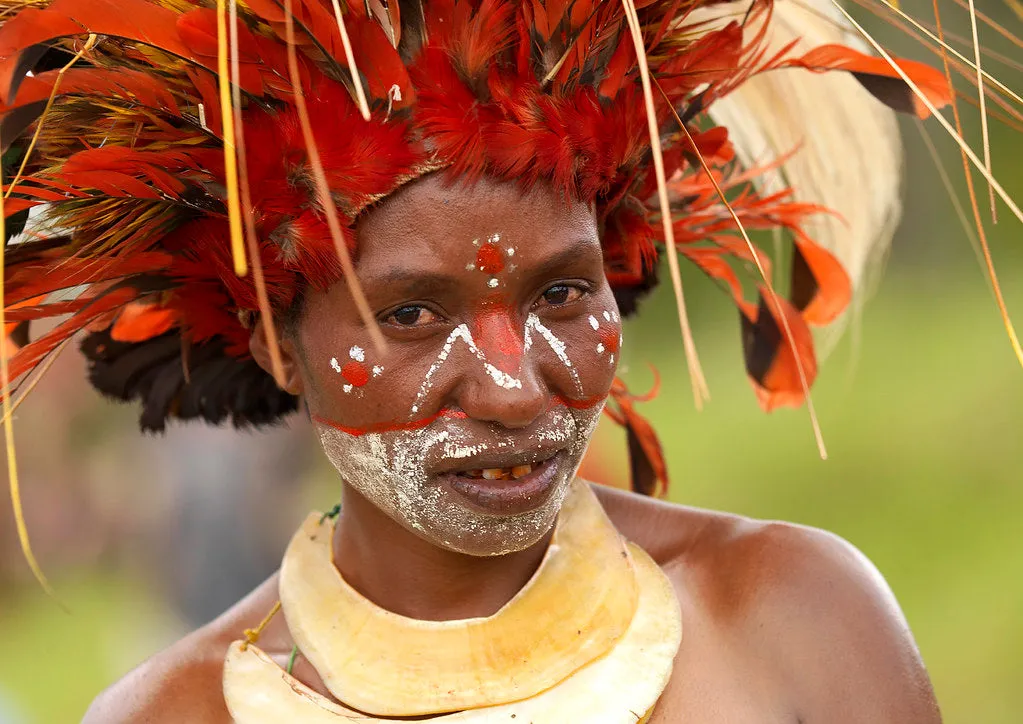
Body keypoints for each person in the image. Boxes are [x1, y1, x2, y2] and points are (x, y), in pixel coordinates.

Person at [0, 0, 990, 721]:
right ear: (278, 345)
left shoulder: (795, 617)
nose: (515, 390)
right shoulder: (171, 716)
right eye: (415, 313)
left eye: (561, 293)